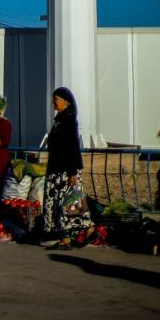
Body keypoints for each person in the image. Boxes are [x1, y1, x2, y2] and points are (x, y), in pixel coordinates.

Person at [42, 87, 93, 249]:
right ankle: (70, 235)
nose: (53, 102)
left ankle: (80, 232)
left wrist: (72, 172)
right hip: (56, 169)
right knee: (61, 203)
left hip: (65, 170)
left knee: (68, 204)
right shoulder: (61, 119)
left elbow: (72, 146)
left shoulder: (69, 119)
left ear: (66, 101)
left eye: (56, 98)